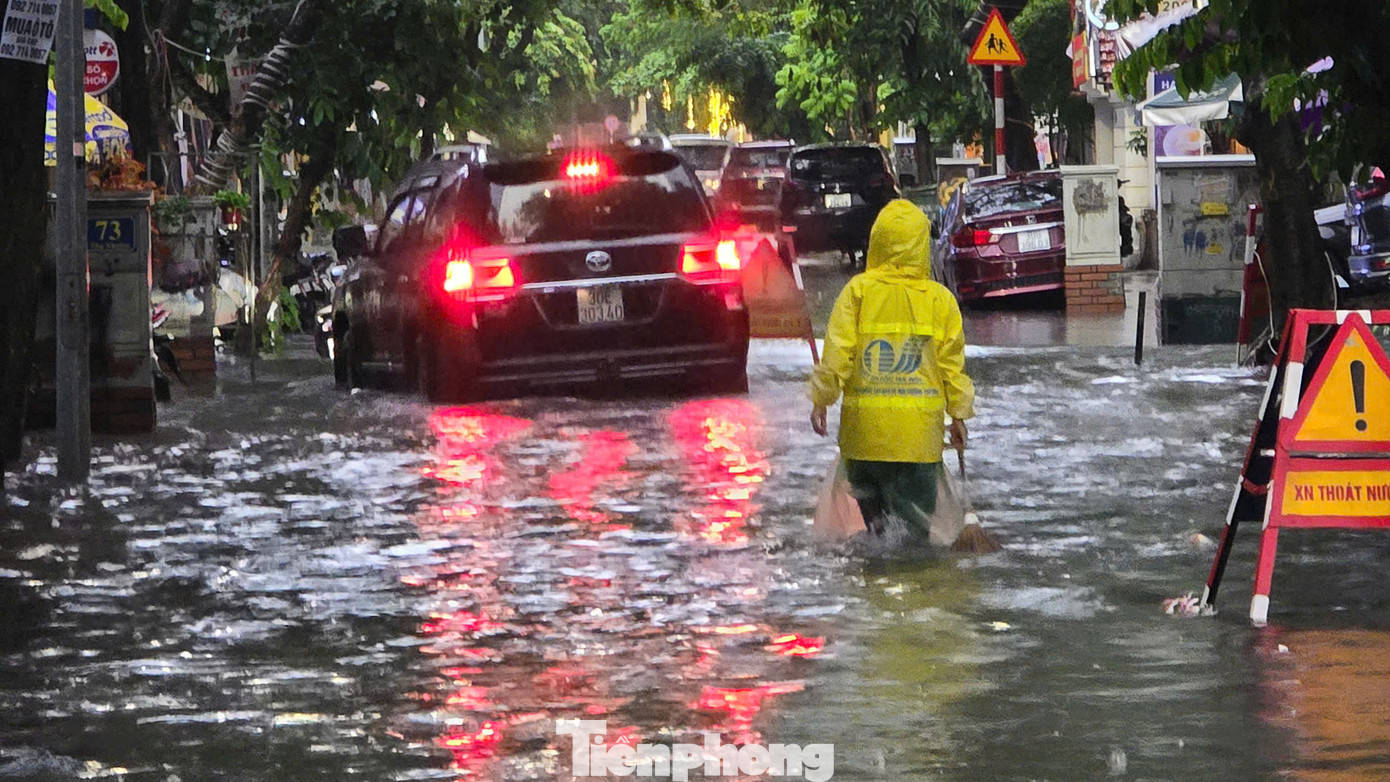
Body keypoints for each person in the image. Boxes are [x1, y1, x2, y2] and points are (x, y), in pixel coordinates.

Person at [808, 199, 975, 537]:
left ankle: (875, 580)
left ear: (877, 242)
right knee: (914, 541)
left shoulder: (857, 292)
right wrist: (958, 416)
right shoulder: (939, 301)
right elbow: (951, 368)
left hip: (863, 441)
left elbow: (838, 354)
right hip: (917, 444)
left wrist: (821, 400)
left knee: (878, 534)